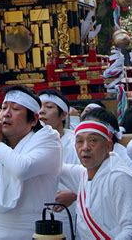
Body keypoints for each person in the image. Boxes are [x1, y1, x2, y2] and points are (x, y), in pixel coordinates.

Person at [0, 85, 62, 240]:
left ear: (34, 119)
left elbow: (22, 169)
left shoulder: (48, 139)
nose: (6, 114)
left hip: (29, 232)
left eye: (15, 109)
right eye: (3, 108)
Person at [60, 120, 132, 239]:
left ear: (108, 146)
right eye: (80, 141)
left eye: (93, 141)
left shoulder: (120, 178)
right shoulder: (84, 174)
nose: (85, 147)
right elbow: (56, 167)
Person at [38, 89, 79, 240]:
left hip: (67, 212)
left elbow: (91, 176)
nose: (42, 112)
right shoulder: (29, 141)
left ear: (63, 115)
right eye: (39, 107)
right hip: (36, 211)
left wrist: (75, 194)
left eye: (49, 107)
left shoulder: (76, 142)